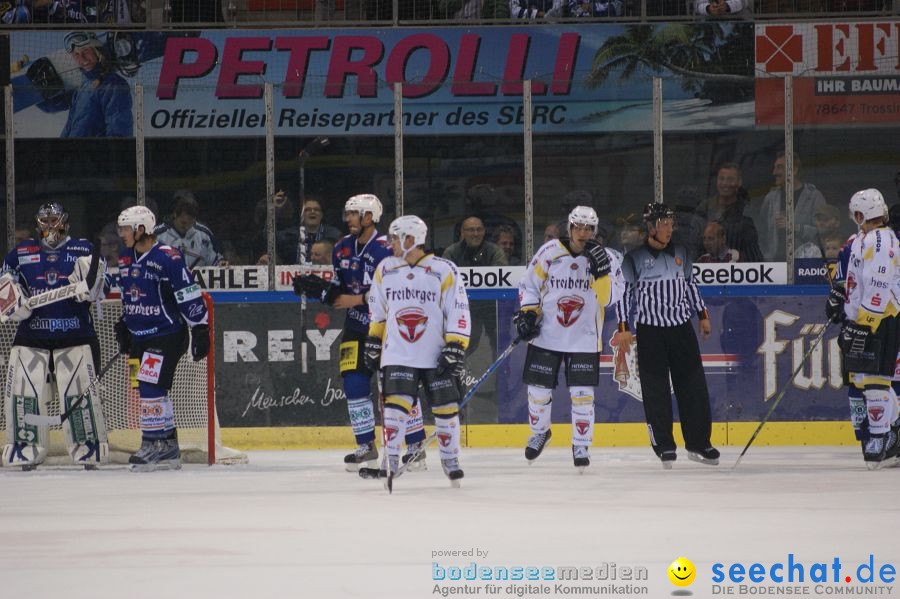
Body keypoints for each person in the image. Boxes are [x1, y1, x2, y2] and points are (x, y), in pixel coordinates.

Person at [293, 195, 427, 472]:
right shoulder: (341, 247)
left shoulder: (386, 249)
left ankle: (415, 447)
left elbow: (398, 291)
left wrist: (357, 300)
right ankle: (366, 445)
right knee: (354, 384)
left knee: (398, 388)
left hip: (389, 329)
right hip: (355, 327)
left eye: (355, 213)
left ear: (370, 217)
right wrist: (318, 289)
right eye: (348, 213)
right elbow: (341, 292)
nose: (349, 218)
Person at [513, 206, 624, 471]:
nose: (583, 233)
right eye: (578, 227)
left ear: (595, 231)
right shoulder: (549, 252)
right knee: (538, 391)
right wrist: (528, 313)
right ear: (570, 227)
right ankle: (540, 432)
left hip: (584, 338)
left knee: (582, 394)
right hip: (547, 335)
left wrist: (601, 274)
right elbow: (529, 286)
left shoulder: (607, 258)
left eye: (588, 228)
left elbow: (610, 299)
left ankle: (581, 443)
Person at [364, 215, 471, 487]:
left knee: (446, 409)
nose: (390, 244)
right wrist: (374, 341)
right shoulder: (385, 269)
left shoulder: (444, 269)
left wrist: (456, 345)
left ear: (410, 240)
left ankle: (450, 459)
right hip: (398, 352)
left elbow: (458, 309)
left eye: (394, 238)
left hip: (435, 353)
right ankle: (390, 460)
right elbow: (378, 312)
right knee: (394, 409)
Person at [1, 203, 107, 470]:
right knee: (24, 390)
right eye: (45, 221)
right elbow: (5, 283)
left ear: (65, 223)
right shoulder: (21, 253)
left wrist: (92, 280)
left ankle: (87, 445)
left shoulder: (84, 250)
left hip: (75, 333)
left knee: (78, 390)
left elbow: (97, 291)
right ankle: (25, 446)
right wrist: (13, 300)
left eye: (54, 221)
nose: (50, 227)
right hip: (32, 335)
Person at [616, 203, 719, 469]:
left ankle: (699, 442)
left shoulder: (682, 253)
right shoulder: (634, 258)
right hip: (651, 332)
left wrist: (703, 315)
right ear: (651, 227)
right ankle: (664, 445)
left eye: (671, 224)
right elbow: (623, 294)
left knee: (693, 387)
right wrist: (624, 328)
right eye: (664, 224)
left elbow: (690, 285)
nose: (670, 229)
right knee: (656, 391)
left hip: (681, 329)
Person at [114, 205, 210, 472]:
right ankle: (168, 447)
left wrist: (200, 328)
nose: (121, 234)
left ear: (140, 229)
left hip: (166, 335)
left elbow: (187, 292)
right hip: (140, 337)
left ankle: (153, 444)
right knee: (152, 389)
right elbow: (130, 294)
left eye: (125, 229)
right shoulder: (125, 257)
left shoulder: (168, 257)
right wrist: (125, 323)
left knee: (150, 384)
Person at [827, 189, 900, 469]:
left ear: (860, 215)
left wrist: (865, 324)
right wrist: (839, 300)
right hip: (865, 320)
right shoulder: (863, 239)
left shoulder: (881, 241)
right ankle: (891, 432)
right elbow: (852, 282)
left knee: (875, 379)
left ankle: (881, 439)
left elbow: (877, 285)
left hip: (880, 319)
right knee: (864, 378)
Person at [443, 216, 507, 359]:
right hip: (463, 308)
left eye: (479, 230)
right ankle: (456, 373)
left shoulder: (494, 251)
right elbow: (445, 280)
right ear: (462, 233)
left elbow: (503, 274)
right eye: (471, 230)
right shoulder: (451, 252)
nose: (476, 234)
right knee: (467, 344)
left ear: (484, 232)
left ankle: (502, 375)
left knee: (500, 342)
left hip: (492, 308)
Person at [60, 31, 132, 138]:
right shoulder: (82, 85)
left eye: (86, 51)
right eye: (76, 54)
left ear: (97, 51)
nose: (82, 58)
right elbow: (69, 125)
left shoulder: (114, 85)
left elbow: (119, 132)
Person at [757, 151, 826, 262]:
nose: (774, 172)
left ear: (793, 170)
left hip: (805, 265)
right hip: (774, 265)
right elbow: (761, 233)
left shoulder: (814, 197)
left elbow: (823, 232)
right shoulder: (770, 199)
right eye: (774, 167)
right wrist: (766, 257)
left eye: (779, 167)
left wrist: (795, 227)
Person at [694, 163, 763, 262]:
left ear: (739, 182)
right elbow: (695, 243)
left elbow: (754, 257)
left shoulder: (747, 211)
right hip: (707, 271)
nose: (725, 183)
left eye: (730, 179)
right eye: (721, 179)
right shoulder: (704, 208)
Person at [154, 190, 225, 268]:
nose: (186, 226)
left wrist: (220, 264)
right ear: (174, 214)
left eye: (190, 221)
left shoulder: (204, 235)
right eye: (183, 222)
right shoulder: (157, 235)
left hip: (198, 280)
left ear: (194, 218)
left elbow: (216, 261)